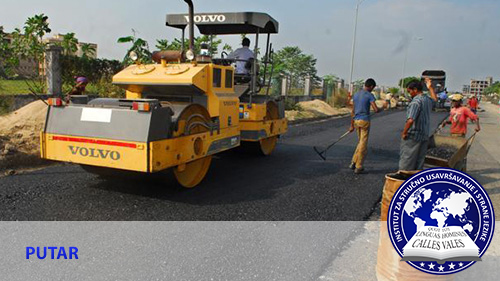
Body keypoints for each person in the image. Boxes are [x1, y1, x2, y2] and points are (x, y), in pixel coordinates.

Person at [399, 79, 438, 171]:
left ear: (415, 90)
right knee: (419, 162)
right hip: (424, 135)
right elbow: (435, 100)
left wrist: (404, 133)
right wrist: (430, 87)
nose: (409, 94)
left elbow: (410, 120)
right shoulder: (427, 99)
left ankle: (404, 181)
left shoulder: (415, 102)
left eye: (410, 91)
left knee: (407, 161)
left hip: (413, 136)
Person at [349, 78, 380, 174]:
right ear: (371, 86)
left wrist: (351, 125)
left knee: (360, 142)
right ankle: (359, 166)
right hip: (365, 121)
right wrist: (382, 108)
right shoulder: (370, 95)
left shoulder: (356, 94)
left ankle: (353, 162)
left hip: (356, 121)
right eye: (373, 88)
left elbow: (353, 111)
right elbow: (375, 109)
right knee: (363, 144)